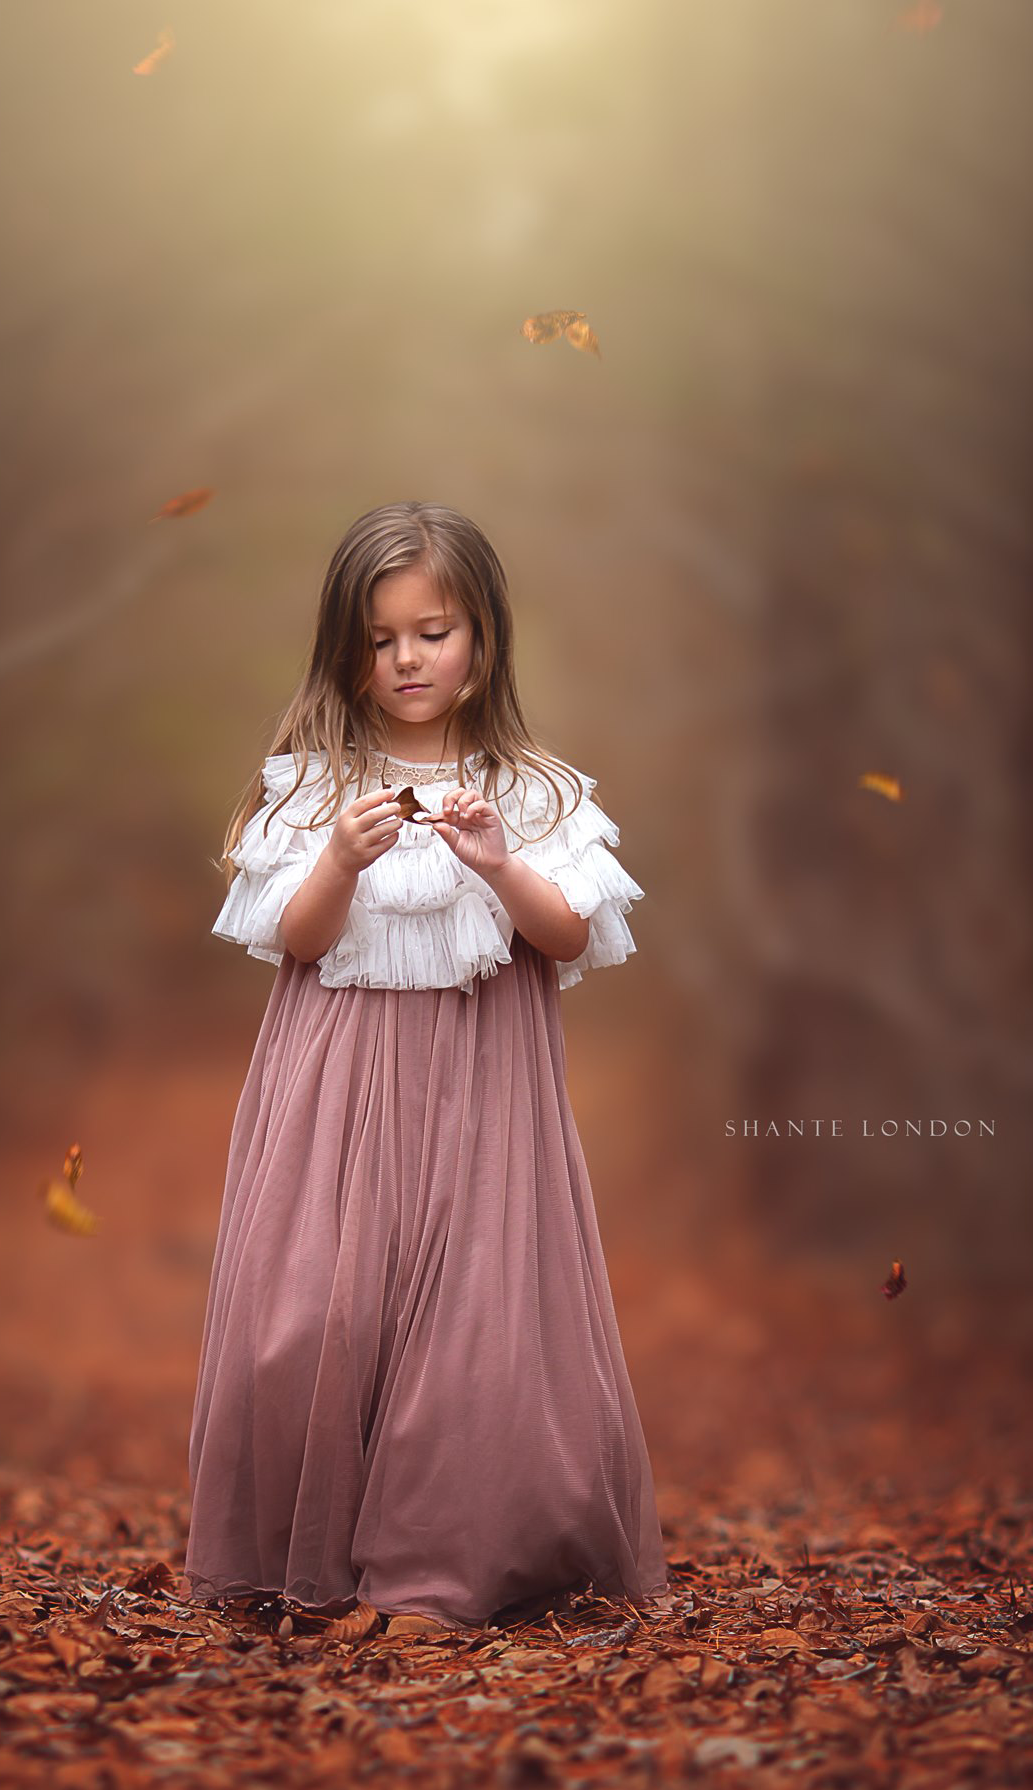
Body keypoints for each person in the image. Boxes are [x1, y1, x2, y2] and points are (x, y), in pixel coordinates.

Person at [184, 501, 669, 1639]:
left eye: (433, 631)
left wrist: (499, 865)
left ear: (483, 637)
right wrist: (340, 865)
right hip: (336, 1077)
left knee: (472, 1325)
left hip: (481, 1078)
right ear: (344, 647)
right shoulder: (310, 783)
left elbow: (562, 936)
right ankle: (301, 1548)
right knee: (308, 1313)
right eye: (380, 636)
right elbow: (296, 943)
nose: (407, 659)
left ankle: (434, 1565)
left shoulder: (536, 788)